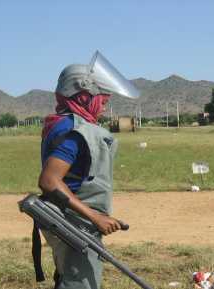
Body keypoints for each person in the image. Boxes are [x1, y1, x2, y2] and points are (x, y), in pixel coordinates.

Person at [34, 51, 140, 289]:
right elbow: (49, 181)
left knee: (69, 278)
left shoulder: (61, 122)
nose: (105, 103)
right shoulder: (75, 131)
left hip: (67, 217)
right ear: (82, 96)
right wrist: (95, 217)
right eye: (101, 97)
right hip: (74, 222)